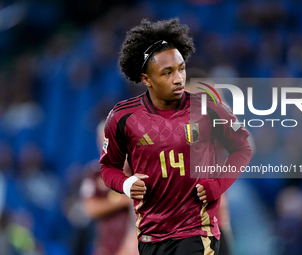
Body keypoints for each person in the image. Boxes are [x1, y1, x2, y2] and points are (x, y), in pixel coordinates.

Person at [100, 18, 252, 255]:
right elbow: (124, 174)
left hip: (207, 226)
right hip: (156, 233)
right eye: (168, 73)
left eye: (181, 70)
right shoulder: (131, 122)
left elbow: (244, 147)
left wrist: (218, 185)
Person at [81, 120, 138, 255]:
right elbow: (90, 208)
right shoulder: (95, 173)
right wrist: (123, 200)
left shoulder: (140, 171)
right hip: (107, 247)